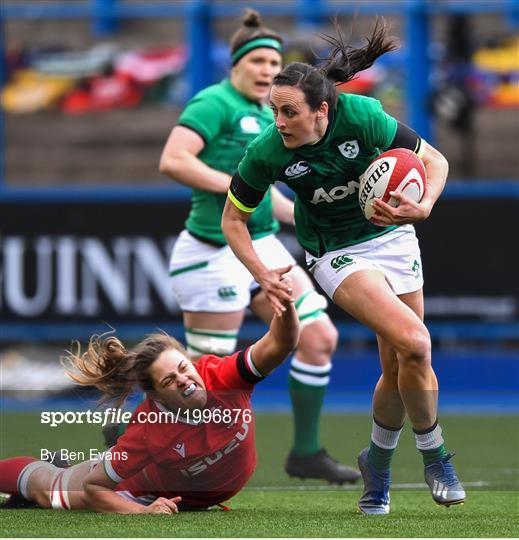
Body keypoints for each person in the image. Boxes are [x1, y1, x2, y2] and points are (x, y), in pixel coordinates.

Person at [221, 18, 466, 515]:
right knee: (417, 340)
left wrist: (425, 206)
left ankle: (376, 464)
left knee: (402, 363)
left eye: (290, 112)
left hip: (393, 235)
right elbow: (233, 220)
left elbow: (434, 161)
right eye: (274, 111)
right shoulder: (267, 151)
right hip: (335, 252)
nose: (280, 122)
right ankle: (435, 455)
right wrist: (261, 273)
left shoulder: (363, 117)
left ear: (323, 111)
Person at [158, 9, 359, 484]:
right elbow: (173, 160)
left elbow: (272, 199)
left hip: (260, 242)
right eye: (260, 61)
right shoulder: (215, 103)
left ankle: (306, 452)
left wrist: (330, 213)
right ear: (236, 64)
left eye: (275, 63)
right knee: (202, 380)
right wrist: (235, 186)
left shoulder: (271, 115)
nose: (269, 70)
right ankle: (135, 439)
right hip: (210, 250)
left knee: (319, 337)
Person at [0, 288, 299, 514]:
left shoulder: (224, 377)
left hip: (193, 491)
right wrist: (143, 511)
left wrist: (286, 308)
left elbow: (279, 343)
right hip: (137, 489)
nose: (182, 379)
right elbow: (94, 489)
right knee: (52, 492)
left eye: (183, 368)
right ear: (155, 395)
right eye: (169, 380)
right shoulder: (149, 430)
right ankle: (53, 468)